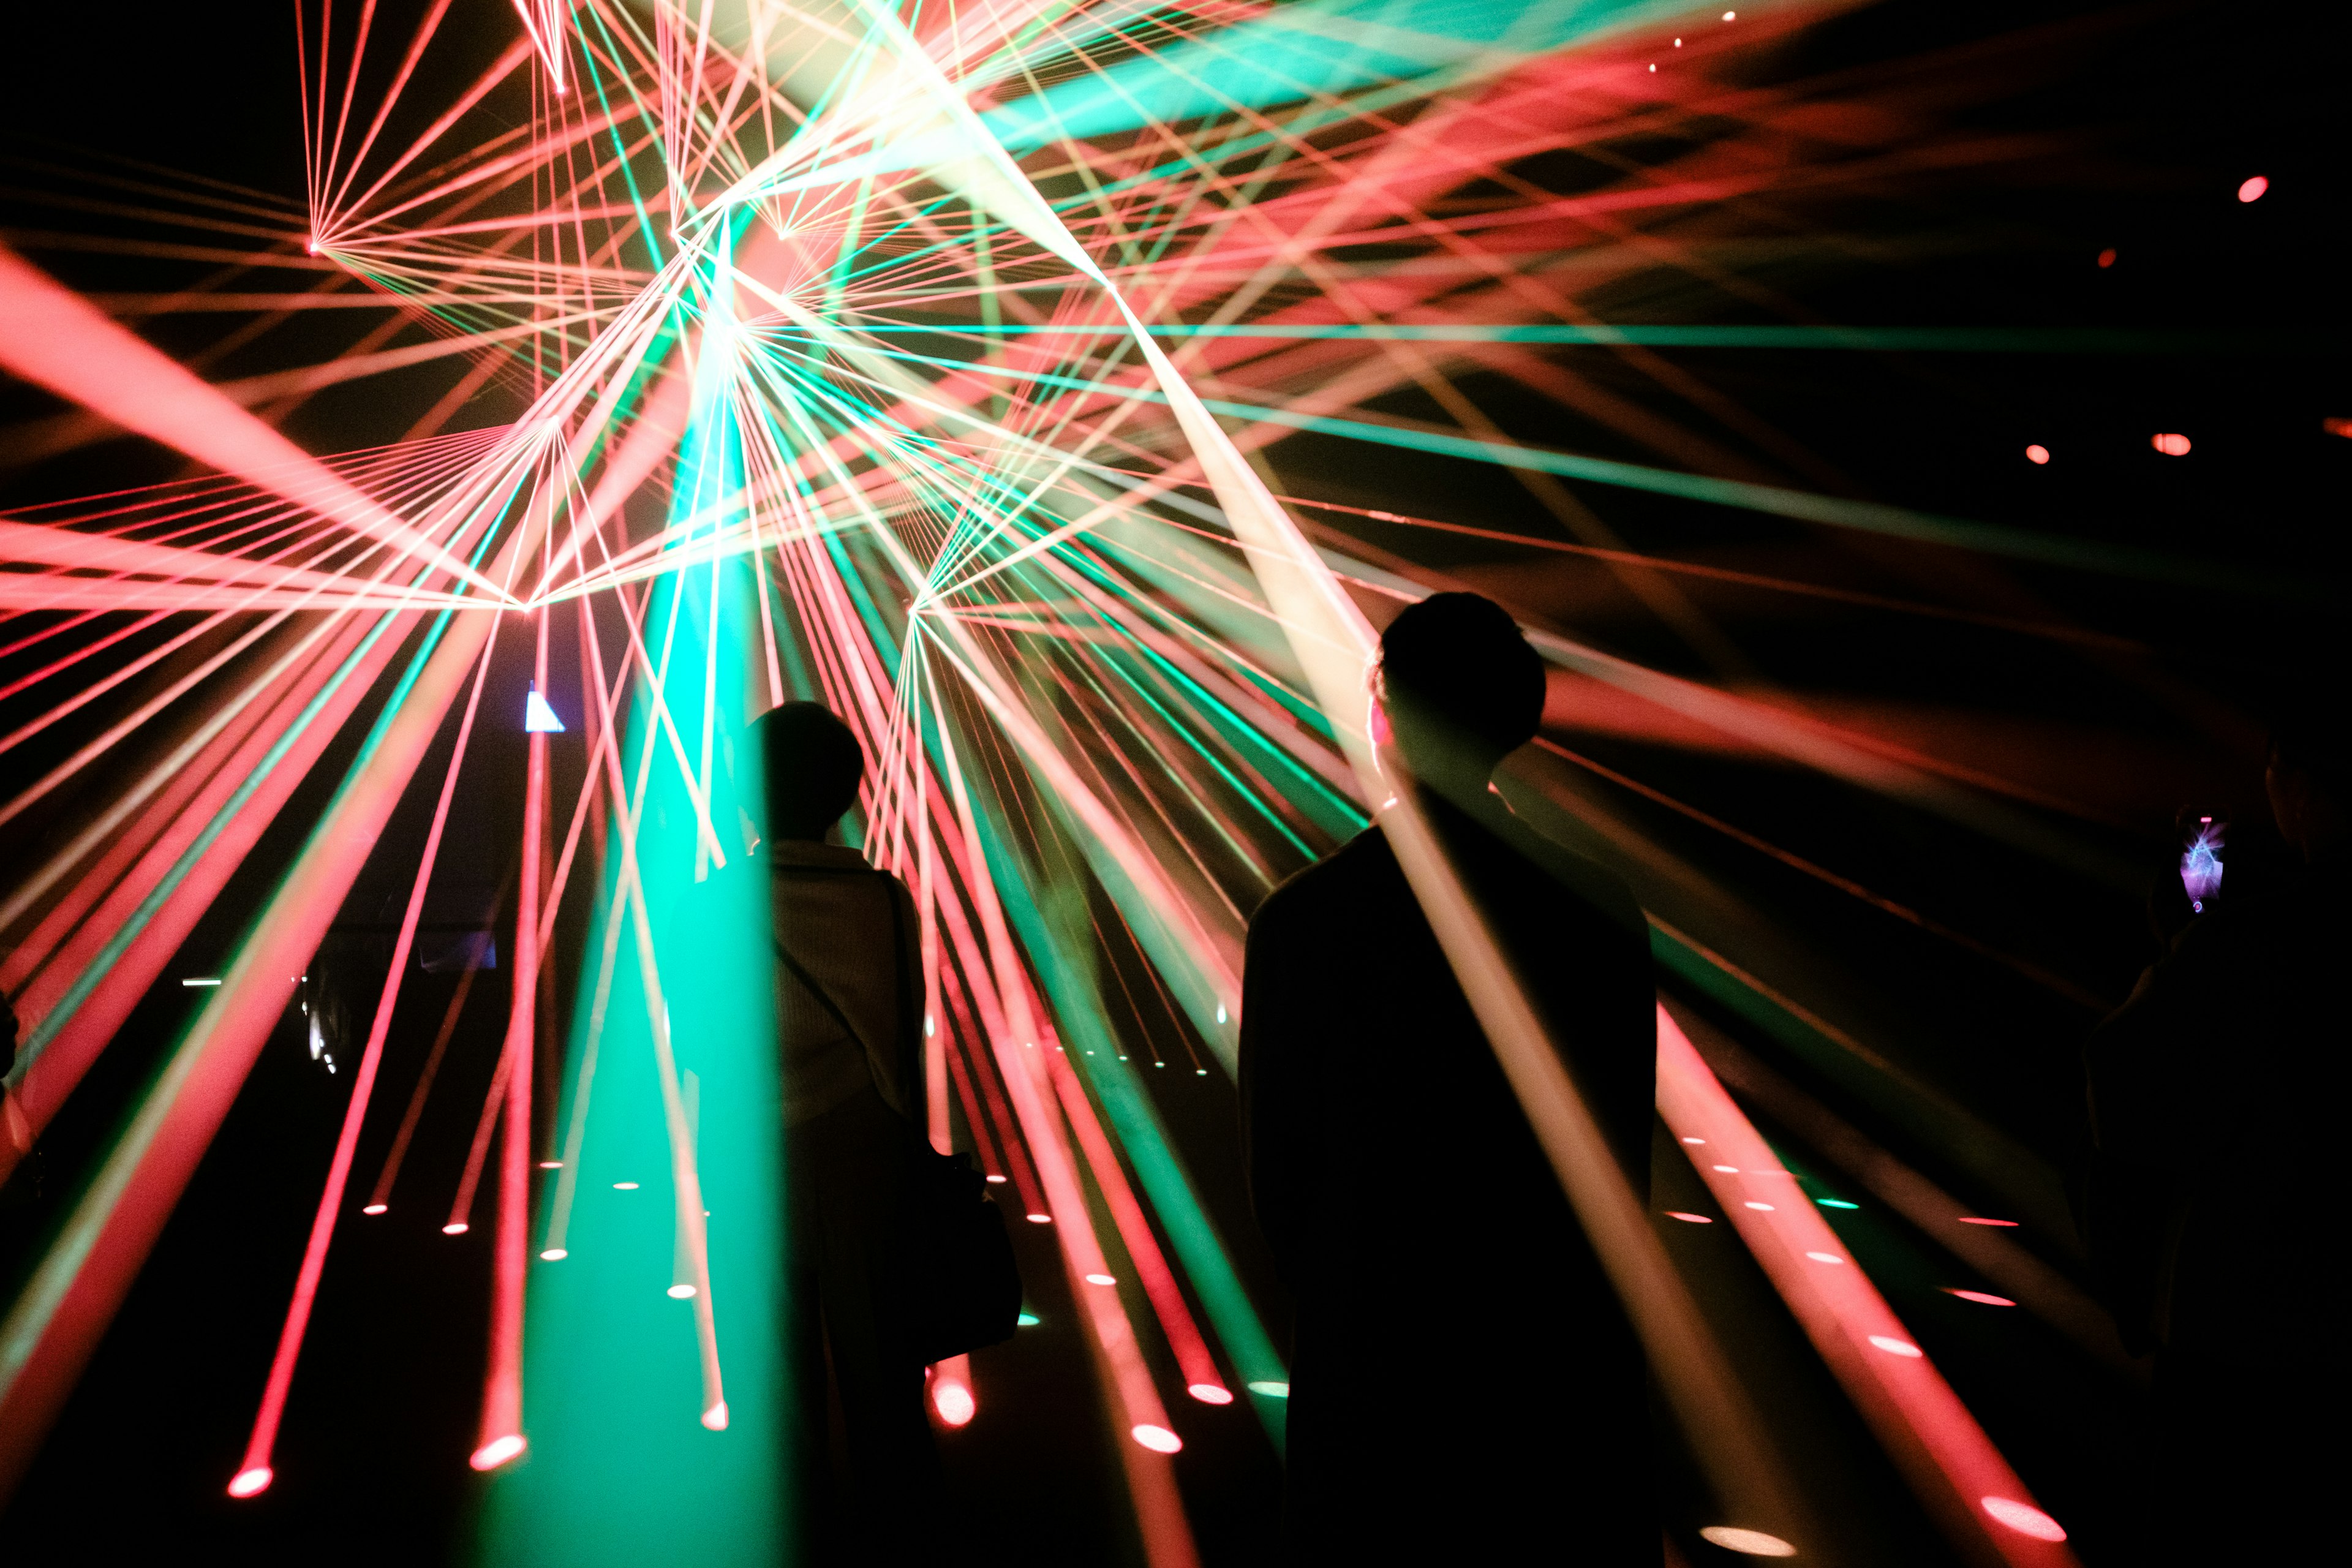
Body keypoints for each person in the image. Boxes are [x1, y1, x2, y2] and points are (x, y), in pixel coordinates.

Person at [1238, 592, 1659, 1564]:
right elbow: (1620, 1144)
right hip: (1555, 1352)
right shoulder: (1599, 909)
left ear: (1383, 719)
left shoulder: (1307, 920)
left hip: (1377, 1346)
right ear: (1523, 717)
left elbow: (1281, 1183)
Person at [2082, 696, 2348, 1564]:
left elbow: (2131, 1106)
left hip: (2246, 1351)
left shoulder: (2256, 946)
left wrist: (2181, 953)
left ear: (2298, 787)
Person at [755, 701, 943, 1562]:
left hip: (755, 1163)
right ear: (846, 794)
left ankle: (798, 1534)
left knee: (780, 1381)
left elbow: (693, 1047)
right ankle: (897, 1536)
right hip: (867, 1152)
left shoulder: (710, 906)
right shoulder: (882, 901)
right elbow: (903, 1037)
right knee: (883, 1381)